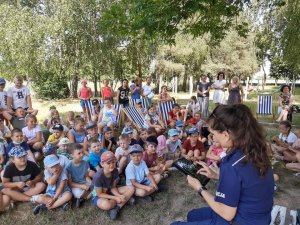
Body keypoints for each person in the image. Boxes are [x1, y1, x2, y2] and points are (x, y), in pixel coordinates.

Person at [171, 104, 274, 225]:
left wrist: (199, 188)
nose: (213, 138)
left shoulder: (231, 164)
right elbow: (246, 181)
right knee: (192, 215)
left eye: (213, 134)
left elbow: (227, 214)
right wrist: (217, 176)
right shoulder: (255, 150)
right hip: (260, 217)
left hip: (239, 220)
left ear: (226, 135)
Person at [92, 151, 135, 220]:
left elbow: (113, 187)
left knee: (131, 188)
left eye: (113, 162)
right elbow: (99, 194)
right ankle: (125, 200)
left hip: (110, 190)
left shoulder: (115, 171)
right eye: (108, 163)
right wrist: (115, 198)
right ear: (102, 164)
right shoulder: (98, 176)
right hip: (99, 195)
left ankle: (117, 207)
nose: (111, 165)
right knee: (106, 205)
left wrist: (118, 195)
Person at [66, 143, 92, 208]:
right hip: (75, 185)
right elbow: (70, 183)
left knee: (96, 186)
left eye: (82, 152)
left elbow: (86, 176)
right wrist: (82, 186)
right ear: (72, 155)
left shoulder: (85, 163)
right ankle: (83, 196)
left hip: (84, 182)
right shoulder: (69, 166)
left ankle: (83, 198)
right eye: (79, 153)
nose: (82, 155)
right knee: (78, 193)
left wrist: (90, 183)